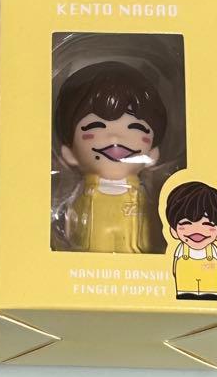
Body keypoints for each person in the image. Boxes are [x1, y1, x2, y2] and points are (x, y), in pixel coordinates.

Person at [54, 61, 167, 254]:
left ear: (152, 154)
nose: (115, 138)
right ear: (70, 154)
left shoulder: (143, 199)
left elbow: (155, 231)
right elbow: (72, 229)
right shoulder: (83, 196)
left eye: (136, 128)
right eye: (96, 127)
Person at [164, 181, 217, 299]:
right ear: (173, 231)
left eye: (208, 224)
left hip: (211, 285)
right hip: (185, 285)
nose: (197, 230)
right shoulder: (181, 250)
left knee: (211, 296)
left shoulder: (213, 251)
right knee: (185, 295)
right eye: (186, 223)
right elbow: (174, 267)